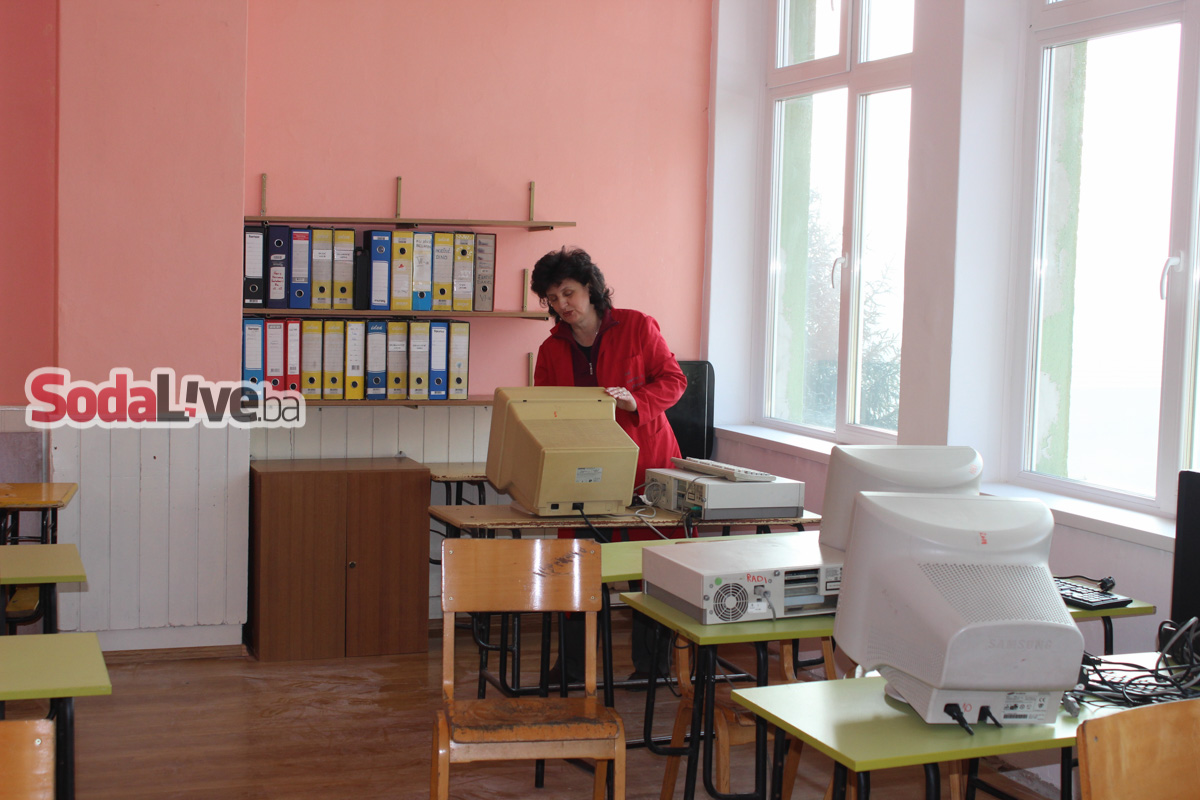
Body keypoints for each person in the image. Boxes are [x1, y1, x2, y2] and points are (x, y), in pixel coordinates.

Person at [530, 246, 687, 685]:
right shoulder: (550, 349)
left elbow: (674, 380)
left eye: (568, 292)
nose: (562, 304)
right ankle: (572, 668)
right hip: (581, 473)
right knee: (575, 565)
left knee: (649, 568)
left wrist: (638, 401)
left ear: (590, 287)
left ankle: (653, 669)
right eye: (552, 298)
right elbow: (541, 410)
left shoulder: (637, 325)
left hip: (644, 465)